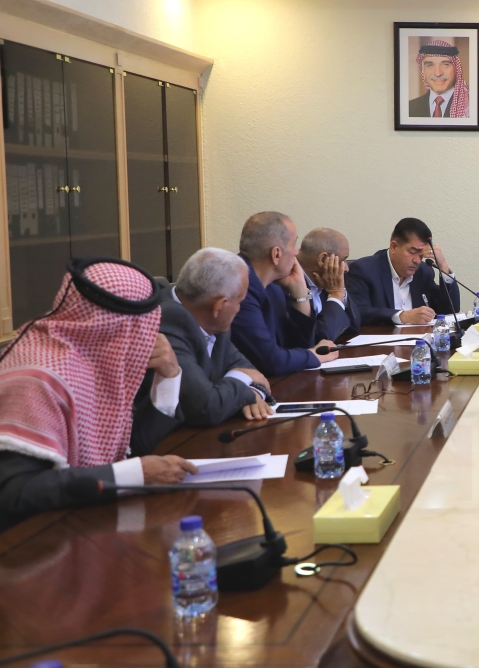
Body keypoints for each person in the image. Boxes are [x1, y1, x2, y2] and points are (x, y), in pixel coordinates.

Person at [0, 260, 198, 531]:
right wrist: (135, 474)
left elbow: (129, 448)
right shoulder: (39, 377)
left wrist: (169, 375)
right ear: (118, 325)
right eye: (145, 325)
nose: (151, 335)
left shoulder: (86, 359)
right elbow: (15, 492)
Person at [131, 248, 275, 454]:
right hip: (159, 449)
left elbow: (249, 370)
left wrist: (252, 391)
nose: (239, 309)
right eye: (239, 302)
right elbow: (206, 407)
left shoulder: (212, 320)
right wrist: (244, 389)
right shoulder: (167, 321)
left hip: (187, 439)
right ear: (220, 306)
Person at [230, 211, 339, 376]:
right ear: (276, 254)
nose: (296, 252)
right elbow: (270, 361)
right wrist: (314, 356)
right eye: (294, 245)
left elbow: (298, 346)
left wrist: (300, 292)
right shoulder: (238, 289)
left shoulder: (274, 285)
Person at [346, 217, 460, 325]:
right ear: (394, 247)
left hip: (419, 338)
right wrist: (402, 316)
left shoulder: (423, 272)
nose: (417, 260)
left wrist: (443, 266)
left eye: (421, 255)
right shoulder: (364, 270)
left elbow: (449, 310)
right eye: (412, 252)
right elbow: (358, 312)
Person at [297, 227, 361, 341]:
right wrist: (336, 294)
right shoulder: (290, 285)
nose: (346, 268)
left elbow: (353, 325)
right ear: (323, 260)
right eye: (344, 260)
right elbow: (320, 338)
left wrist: (339, 293)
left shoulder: (328, 282)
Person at [408, 40, 471, 118]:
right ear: (423, 71)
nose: (438, 73)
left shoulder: (471, 106)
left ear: (456, 69)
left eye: (445, 64)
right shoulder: (410, 108)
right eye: (430, 65)